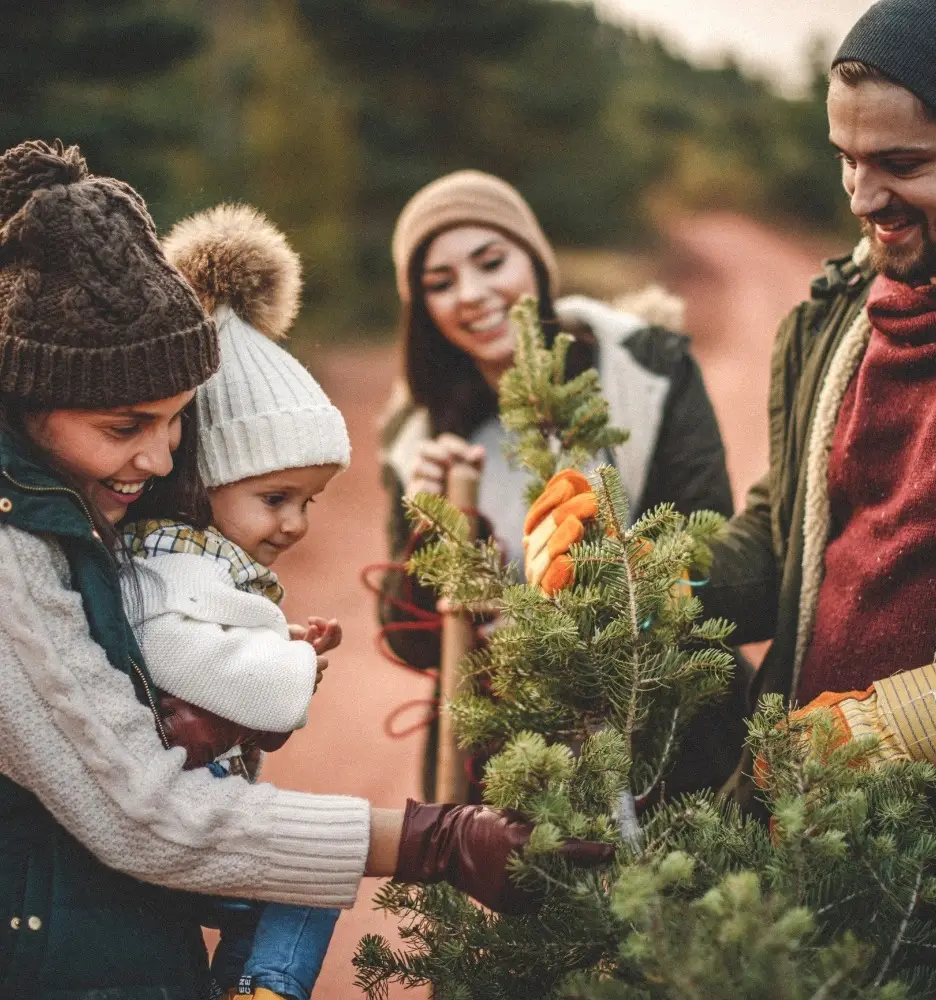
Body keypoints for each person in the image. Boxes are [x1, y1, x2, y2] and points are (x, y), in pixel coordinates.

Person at [0, 140, 609, 1000]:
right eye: (125, 426)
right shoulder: (13, 548)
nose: (159, 457)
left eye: (177, 425)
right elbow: (147, 814)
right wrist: (435, 842)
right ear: (29, 399)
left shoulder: (78, 499)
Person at [523, 0, 936, 992]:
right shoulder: (826, 327)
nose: (862, 195)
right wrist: (635, 572)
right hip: (786, 848)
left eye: (903, 166)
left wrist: (911, 722)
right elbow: (778, 544)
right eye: (845, 159)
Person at [378, 170, 745, 798]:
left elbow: (707, 546)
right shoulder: (420, 432)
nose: (471, 294)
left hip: (661, 731)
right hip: (513, 756)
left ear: (537, 263)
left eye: (491, 262)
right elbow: (409, 642)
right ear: (423, 308)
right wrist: (432, 534)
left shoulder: (646, 371)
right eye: (439, 283)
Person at [121, 204, 352, 1000]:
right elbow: (178, 650)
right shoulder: (168, 556)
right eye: (278, 497)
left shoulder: (200, 559)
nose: (294, 524)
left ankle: (249, 986)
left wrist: (275, 642)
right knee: (305, 874)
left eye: (310, 502)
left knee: (294, 882)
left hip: (193, 798)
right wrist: (282, 663)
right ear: (204, 475)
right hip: (173, 813)